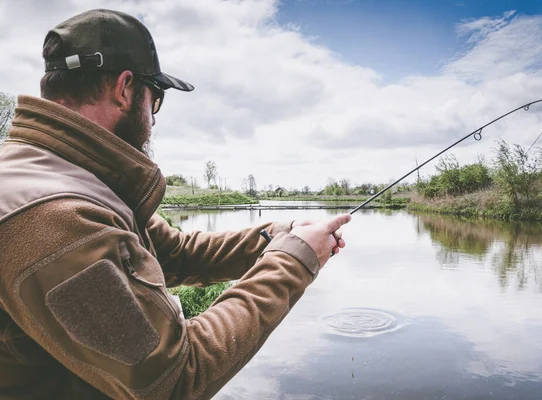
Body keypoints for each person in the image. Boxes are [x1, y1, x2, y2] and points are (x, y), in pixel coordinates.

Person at [0, 9, 350, 400]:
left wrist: (275, 237)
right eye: (157, 98)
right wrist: (294, 262)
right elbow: (173, 378)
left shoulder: (69, 178)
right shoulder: (53, 215)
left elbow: (173, 253)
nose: (154, 117)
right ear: (125, 89)